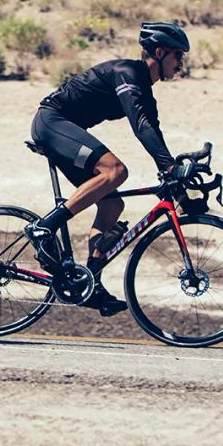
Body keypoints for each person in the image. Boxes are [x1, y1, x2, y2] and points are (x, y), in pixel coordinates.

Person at [24, 21, 191, 316]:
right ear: (161, 52)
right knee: (115, 171)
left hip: (65, 128)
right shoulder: (127, 73)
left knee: (112, 203)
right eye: (178, 56)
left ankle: (91, 284)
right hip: (52, 122)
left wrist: (173, 169)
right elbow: (141, 126)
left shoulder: (143, 88)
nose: (181, 64)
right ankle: (43, 227)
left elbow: (152, 130)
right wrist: (168, 167)